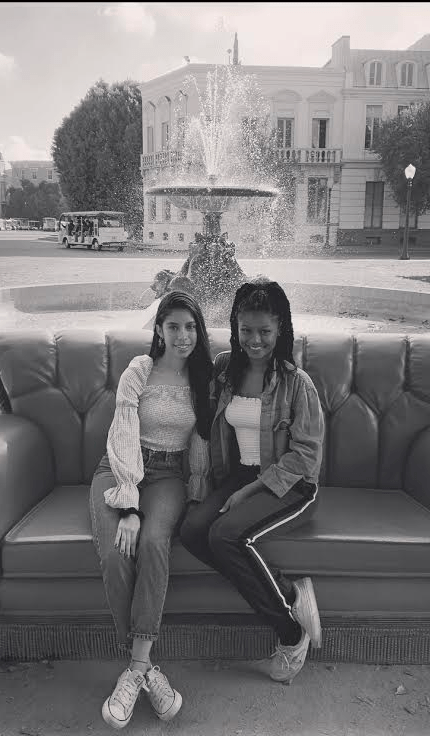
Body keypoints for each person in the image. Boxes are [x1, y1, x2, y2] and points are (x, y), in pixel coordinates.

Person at [179, 280, 325, 685]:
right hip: (238, 475)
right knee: (192, 531)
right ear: (236, 327)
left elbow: (306, 456)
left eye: (265, 331)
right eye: (246, 330)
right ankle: (291, 594)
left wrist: (250, 490)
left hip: (290, 484)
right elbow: (204, 422)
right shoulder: (226, 369)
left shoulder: (297, 383)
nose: (255, 340)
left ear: (280, 329)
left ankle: (291, 635)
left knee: (225, 535)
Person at [89, 290, 213, 729]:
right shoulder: (139, 370)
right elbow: (123, 432)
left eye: (190, 327)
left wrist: (197, 488)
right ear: (159, 329)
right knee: (115, 553)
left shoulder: (203, 378)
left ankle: (135, 670)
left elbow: (200, 441)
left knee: (155, 543)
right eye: (173, 326)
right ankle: (143, 669)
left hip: (168, 476)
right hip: (119, 469)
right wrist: (129, 504)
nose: (183, 336)